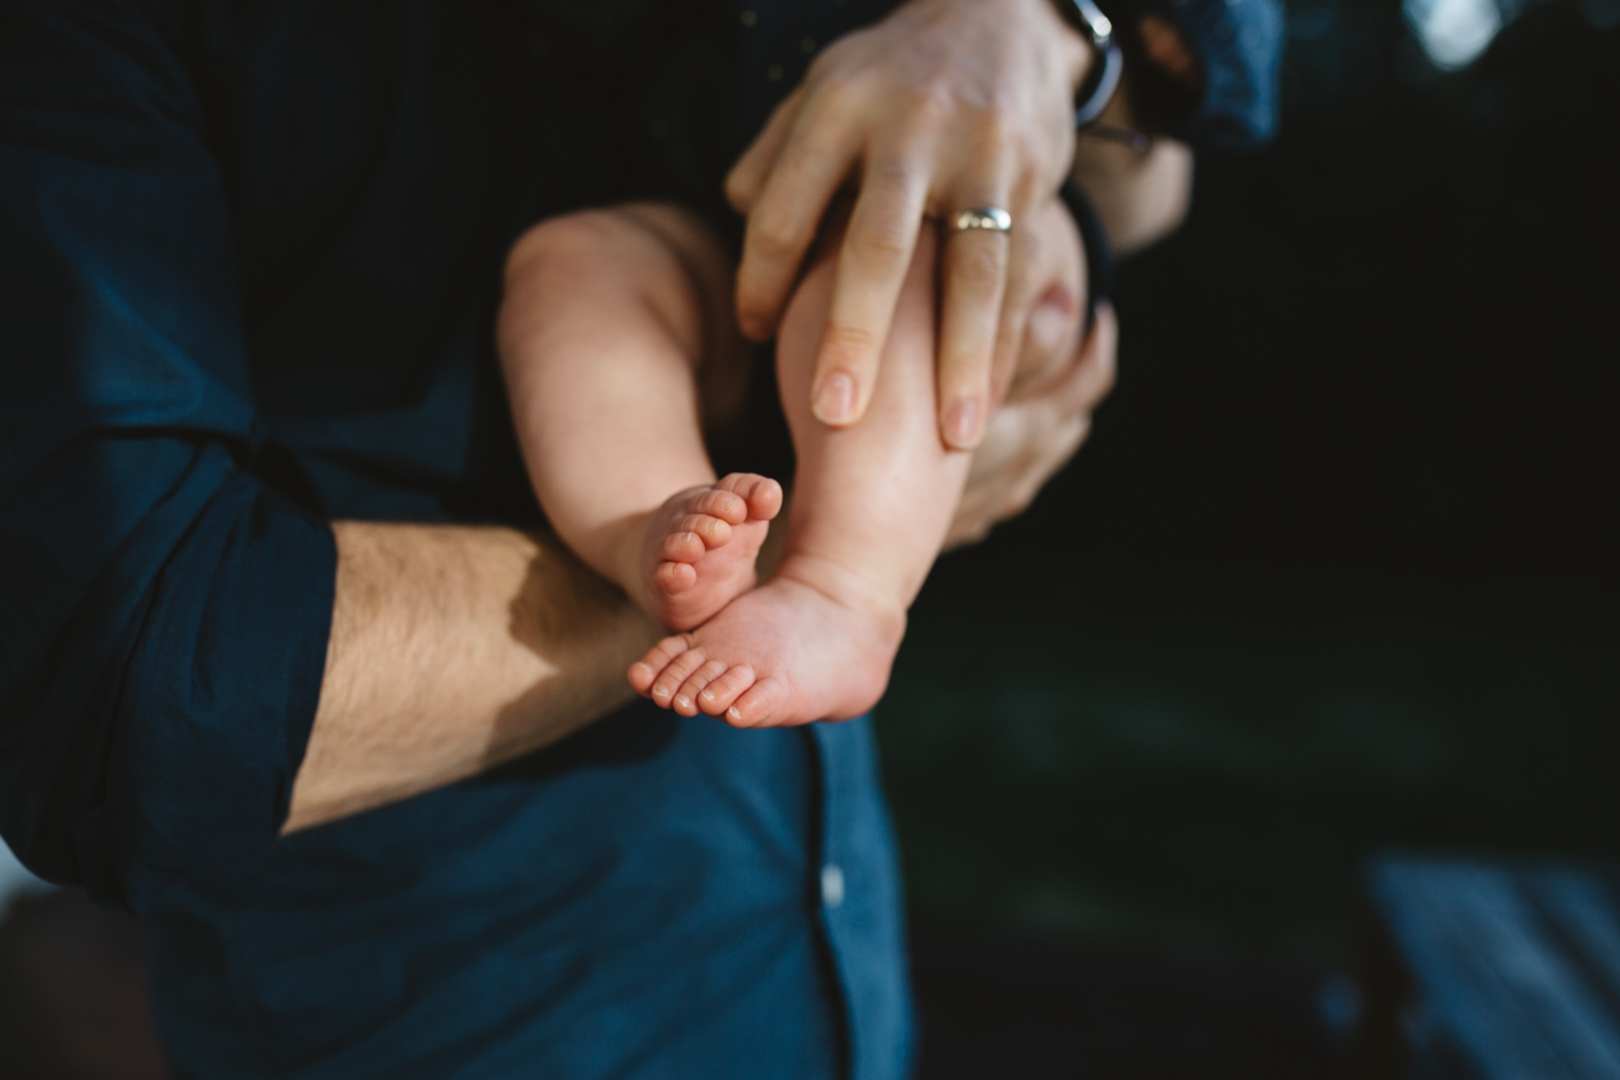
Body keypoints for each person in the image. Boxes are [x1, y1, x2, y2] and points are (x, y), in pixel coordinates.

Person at [0, 0, 1279, 1075]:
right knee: (573, 269)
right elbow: (132, 699)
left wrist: (1043, 36)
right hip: (458, 1012)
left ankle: (839, 583)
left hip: (853, 194)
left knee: (888, 245)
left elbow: (1171, 150)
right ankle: (691, 540)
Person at [499, 194, 1084, 729]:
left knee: (897, 236)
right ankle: (644, 526)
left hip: (918, 189)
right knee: (574, 262)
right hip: (685, 212)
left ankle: (841, 589)